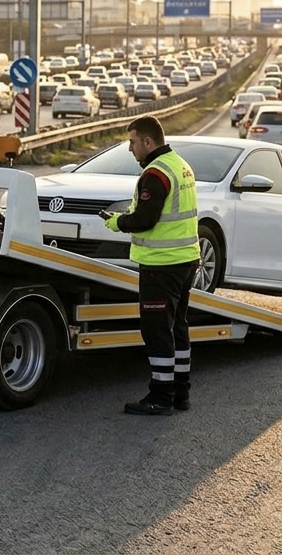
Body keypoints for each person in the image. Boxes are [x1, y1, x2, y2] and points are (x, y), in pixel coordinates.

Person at [100, 116, 200, 416]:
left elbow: (146, 220)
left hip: (161, 265)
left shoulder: (155, 174)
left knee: (157, 331)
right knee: (178, 328)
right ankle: (180, 392)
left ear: (147, 141)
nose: (129, 149)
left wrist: (117, 222)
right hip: (185, 260)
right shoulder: (180, 165)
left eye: (132, 142)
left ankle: (161, 396)